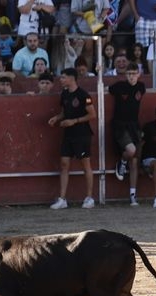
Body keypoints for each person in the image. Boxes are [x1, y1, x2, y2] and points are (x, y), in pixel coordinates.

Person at [48, 68, 97, 211]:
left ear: (72, 79)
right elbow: (64, 112)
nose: (61, 80)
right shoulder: (64, 94)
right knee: (64, 163)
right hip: (68, 133)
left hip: (82, 133)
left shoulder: (83, 95)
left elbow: (92, 114)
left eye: (63, 77)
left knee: (85, 164)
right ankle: (62, 199)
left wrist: (74, 121)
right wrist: (57, 118)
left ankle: (89, 197)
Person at [109, 64, 145, 207]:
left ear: (139, 74)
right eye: (129, 73)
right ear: (125, 75)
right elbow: (108, 90)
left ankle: (132, 194)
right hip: (120, 125)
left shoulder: (141, 87)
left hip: (134, 126)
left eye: (134, 73)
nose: (131, 76)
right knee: (131, 151)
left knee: (135, 161)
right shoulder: (119, 86)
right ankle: (122, 162)